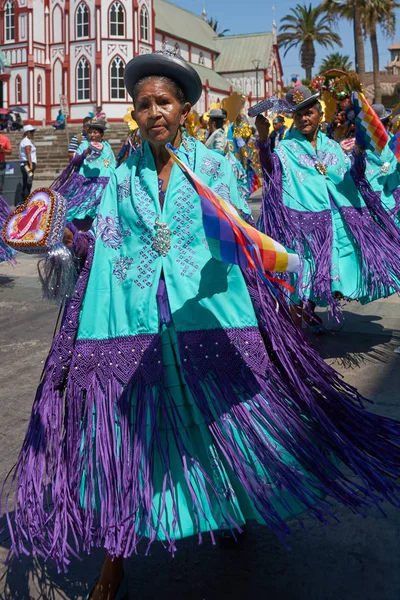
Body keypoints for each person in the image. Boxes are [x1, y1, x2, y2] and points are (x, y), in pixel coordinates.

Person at [6, 50, 400, 600]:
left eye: (163, 102)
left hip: (208, 321)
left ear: (185, 107)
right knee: (131, 437)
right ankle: (114, 560)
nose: (153, 112)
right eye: (143, 105)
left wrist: (273, 287)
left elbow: (241, 240)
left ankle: (231, 506)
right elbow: (104, 250)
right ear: (136, 116)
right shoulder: (121, 179)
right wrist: (63, 240)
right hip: (135, 327)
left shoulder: (213, 169)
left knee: (220, 422)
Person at [256, 85, 400, 327]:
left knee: (322, 278)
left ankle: (311, 312)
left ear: (319, 114)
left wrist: (360, 155)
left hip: (334, 224)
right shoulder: (285, 148)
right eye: (298, 114)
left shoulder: (332, 146)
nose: (303, 118)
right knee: (299, 280)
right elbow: (270, 171)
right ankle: (298, 342)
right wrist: (262, 139)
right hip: (300, 226)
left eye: (308, 112)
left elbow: (351, 177)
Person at [51, 117, 116, 227]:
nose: (92, 135)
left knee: (99, 212)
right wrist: (85, 153)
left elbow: (112, 165)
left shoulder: (107, 147)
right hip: (85, 186)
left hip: (102, 186)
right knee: (81, 211)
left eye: (95, 132)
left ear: (101, 134)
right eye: (90, 132)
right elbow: (74, 161)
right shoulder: (83, 146)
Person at [19, 124, 36, 201]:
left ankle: (25, 200)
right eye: (32, 132)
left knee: (27, 182)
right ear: (27, 132)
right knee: (28, 183)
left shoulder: (27, 141)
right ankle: (25, 200)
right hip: (27, 165)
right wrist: (31, 164)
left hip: (26, 164)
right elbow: (28, 152)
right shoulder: (26, 141)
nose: (33, 133)